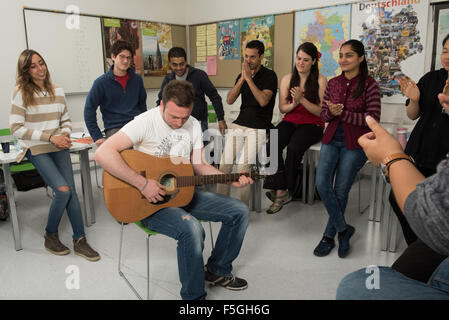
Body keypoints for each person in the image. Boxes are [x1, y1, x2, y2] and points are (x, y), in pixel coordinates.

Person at [94, 80, 252, 300]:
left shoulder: (194, 124)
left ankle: (217, 270)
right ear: (162, 104)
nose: (179, 123)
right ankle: (193, 299)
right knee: (193, 230)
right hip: (149, 203)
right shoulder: (144, 122)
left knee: (240, 211)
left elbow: (199, 165)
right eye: (173, 117)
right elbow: (102, 154)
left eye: (184, 117)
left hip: (181, 194)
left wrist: (229, 179)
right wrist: (143, 184)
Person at [336, 115, 449, 300]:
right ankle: (280, 188)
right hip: (328, 138)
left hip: (353, 143)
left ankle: (338, 229)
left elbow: (433, 213)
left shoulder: (369, 89)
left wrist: (391, 157)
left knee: (355, 286)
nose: (442, 97)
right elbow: (297, 110)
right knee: (321, 180)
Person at [10, 49, 100, 261]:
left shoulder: (57, 90)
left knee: (72, 191)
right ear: (26, 71)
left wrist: (65, 134)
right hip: (37, 147)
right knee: (62, 190)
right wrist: (51, 137)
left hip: (59, 144)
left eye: (41, 63)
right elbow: (16, 128)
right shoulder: (21, 92)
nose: (40, 68)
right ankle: (50, 234)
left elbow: (66, 121)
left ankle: (80, 240)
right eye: (33, 66)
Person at [385, 34, 449, 283]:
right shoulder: (431, 78)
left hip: (442, 159)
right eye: (444, 50)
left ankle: (431, 250)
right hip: (419, 150)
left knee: (433, 204)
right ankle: (421, 245)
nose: (447, 56)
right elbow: (413, 115)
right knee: (396, 197)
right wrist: (414, 98)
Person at [313, 39, 381, 258]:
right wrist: (331, 112)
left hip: (355, 143)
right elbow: (323, 115)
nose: (343, 60)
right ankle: (344, 229)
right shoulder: (333, 84)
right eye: (341, 55)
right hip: (331, 138)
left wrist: (343, 114)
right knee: (322, 184)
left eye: (348, 55)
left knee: (341, 190)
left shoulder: (370, 85)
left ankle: (327, 235)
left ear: (360, 58)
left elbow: (373, 119)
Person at [264, 42, 327, 214]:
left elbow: (322, 112)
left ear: (313, 61)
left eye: (306, 60)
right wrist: (294, 104)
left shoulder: (321, 81)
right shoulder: (287, 79)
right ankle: (282, 188)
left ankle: (282, 191)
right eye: (299, 58)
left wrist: (303, 100)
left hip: (312, 124)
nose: (301, 63)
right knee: (272, 143)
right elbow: (283, 108)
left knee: (293, 148)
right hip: (291, 119)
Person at [217, 40, 278, 206]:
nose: (248, 60)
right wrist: (242, 79)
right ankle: (222, 205)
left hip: (258, 127)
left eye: (252, 57)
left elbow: (263, 101)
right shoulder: (242, 76)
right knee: (224, 165)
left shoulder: (270, 76)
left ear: (261, 57)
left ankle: (241, 209)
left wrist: (249, 80)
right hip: (239, 124)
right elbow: (229, 100)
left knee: (243, 168)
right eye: (246, 56)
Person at [156, 47, 227, 144]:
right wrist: (158, 120)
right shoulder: (168, 79)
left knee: (202, 152)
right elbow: (161, 100)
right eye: (174, 65)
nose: (179, 68)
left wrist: (221, 119)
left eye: (182, 64)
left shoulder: (199, 75)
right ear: (169, 64)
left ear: (186, 61)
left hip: (198, 122)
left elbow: (214, 97)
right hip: (177, 123)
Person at [84, 40, 147, 146]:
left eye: (129, 58)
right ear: (113, 56)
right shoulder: (101, 82)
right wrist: (97, 137)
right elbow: (89, 110)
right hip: (115, 129)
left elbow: (142, 106)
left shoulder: (137, 80)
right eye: (122, 57)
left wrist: (144, 126)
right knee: (124, 159)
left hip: (137, 126)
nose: (126, 61)